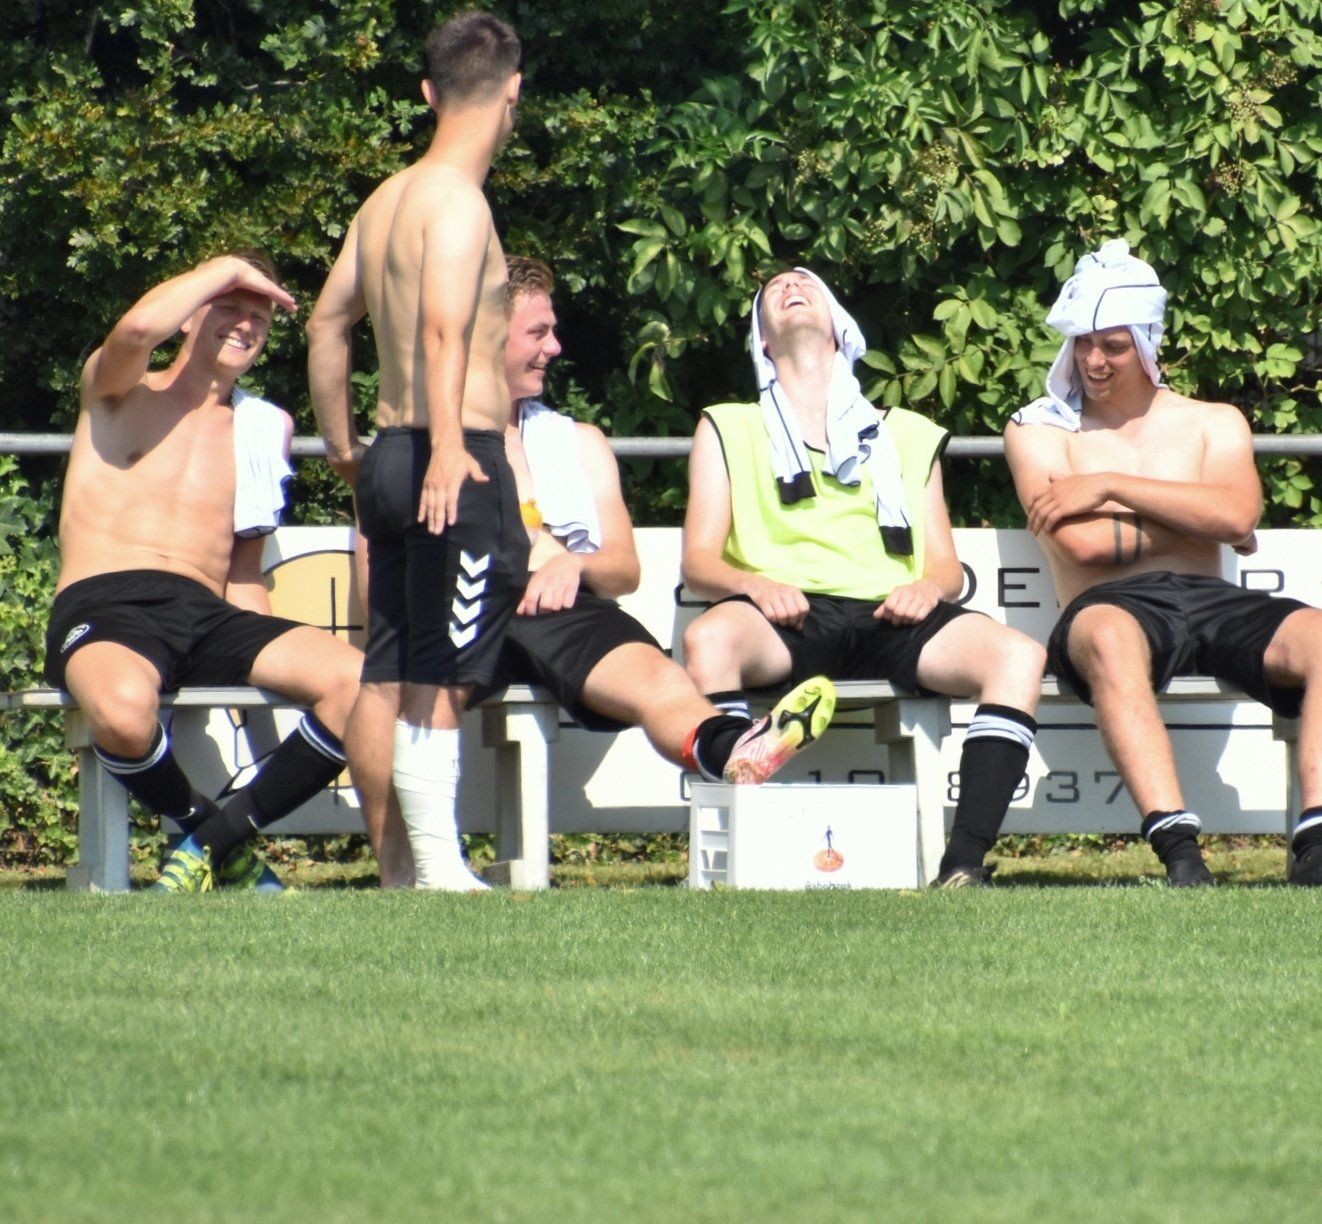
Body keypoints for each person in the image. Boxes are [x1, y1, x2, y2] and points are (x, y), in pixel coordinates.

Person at [351, 256, 836, 884]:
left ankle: (732, 750)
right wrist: (515, 555)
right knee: (386, 683)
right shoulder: (417, 447)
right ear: (486, 338)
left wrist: (571, 563)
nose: (554, 347)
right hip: (452, 610)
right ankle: (402, 872)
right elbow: (376, 590)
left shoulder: (578, 441)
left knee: (660, 677)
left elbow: (625, 568)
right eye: (538, 332)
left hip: (560, 614)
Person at [1003, 240, 1322, 887]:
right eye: (1082, 343)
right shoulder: (1039, 429)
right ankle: (1180, 851)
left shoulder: (1213, 421)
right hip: (1108, 605)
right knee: (1111, 636)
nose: (1093, 360)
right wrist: (1194, 513)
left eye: (1113, 345)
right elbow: (1083, 547)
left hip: (1210, 600)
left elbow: (1236, 516)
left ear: (1148, 343)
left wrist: (1108, 486)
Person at [679, 268, 1046, 888]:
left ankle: (963, 864)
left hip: (889, 614)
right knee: (708, 638)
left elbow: (945, 566)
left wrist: (927, 588)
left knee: (1020, 655)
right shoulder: (727, 424)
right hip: (786, 614)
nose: (789, 288)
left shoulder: (908, 432)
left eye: (806, 284)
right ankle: (733, 850)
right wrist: (756, 585)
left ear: (840, 327)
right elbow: (699, 562)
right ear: (761, 340)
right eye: (774, 290)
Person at [45, 251, 362, 892]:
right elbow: (137, 329)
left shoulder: (263, 427)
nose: (245, 324)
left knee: (362, 685)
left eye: (259, 317)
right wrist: (224, 268)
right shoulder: (119, 390)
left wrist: (268, 665)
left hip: (207, 612)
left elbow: (244, 568)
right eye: (229, 306)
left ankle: (213, 844)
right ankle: (213, 838)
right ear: (189, 313)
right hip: (106, 602)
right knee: (123, 714)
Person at [308, 11, 537, 890]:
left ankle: (400, 870)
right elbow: (445, 330)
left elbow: (327, 326)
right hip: (452, 456)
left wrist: (343, 448)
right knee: (444, 666)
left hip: (389, 458)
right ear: (511, 93)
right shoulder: (459, 201)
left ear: (429, 93)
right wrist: (447, 448)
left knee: (391, 668)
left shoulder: (384, 202)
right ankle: (440, 869)